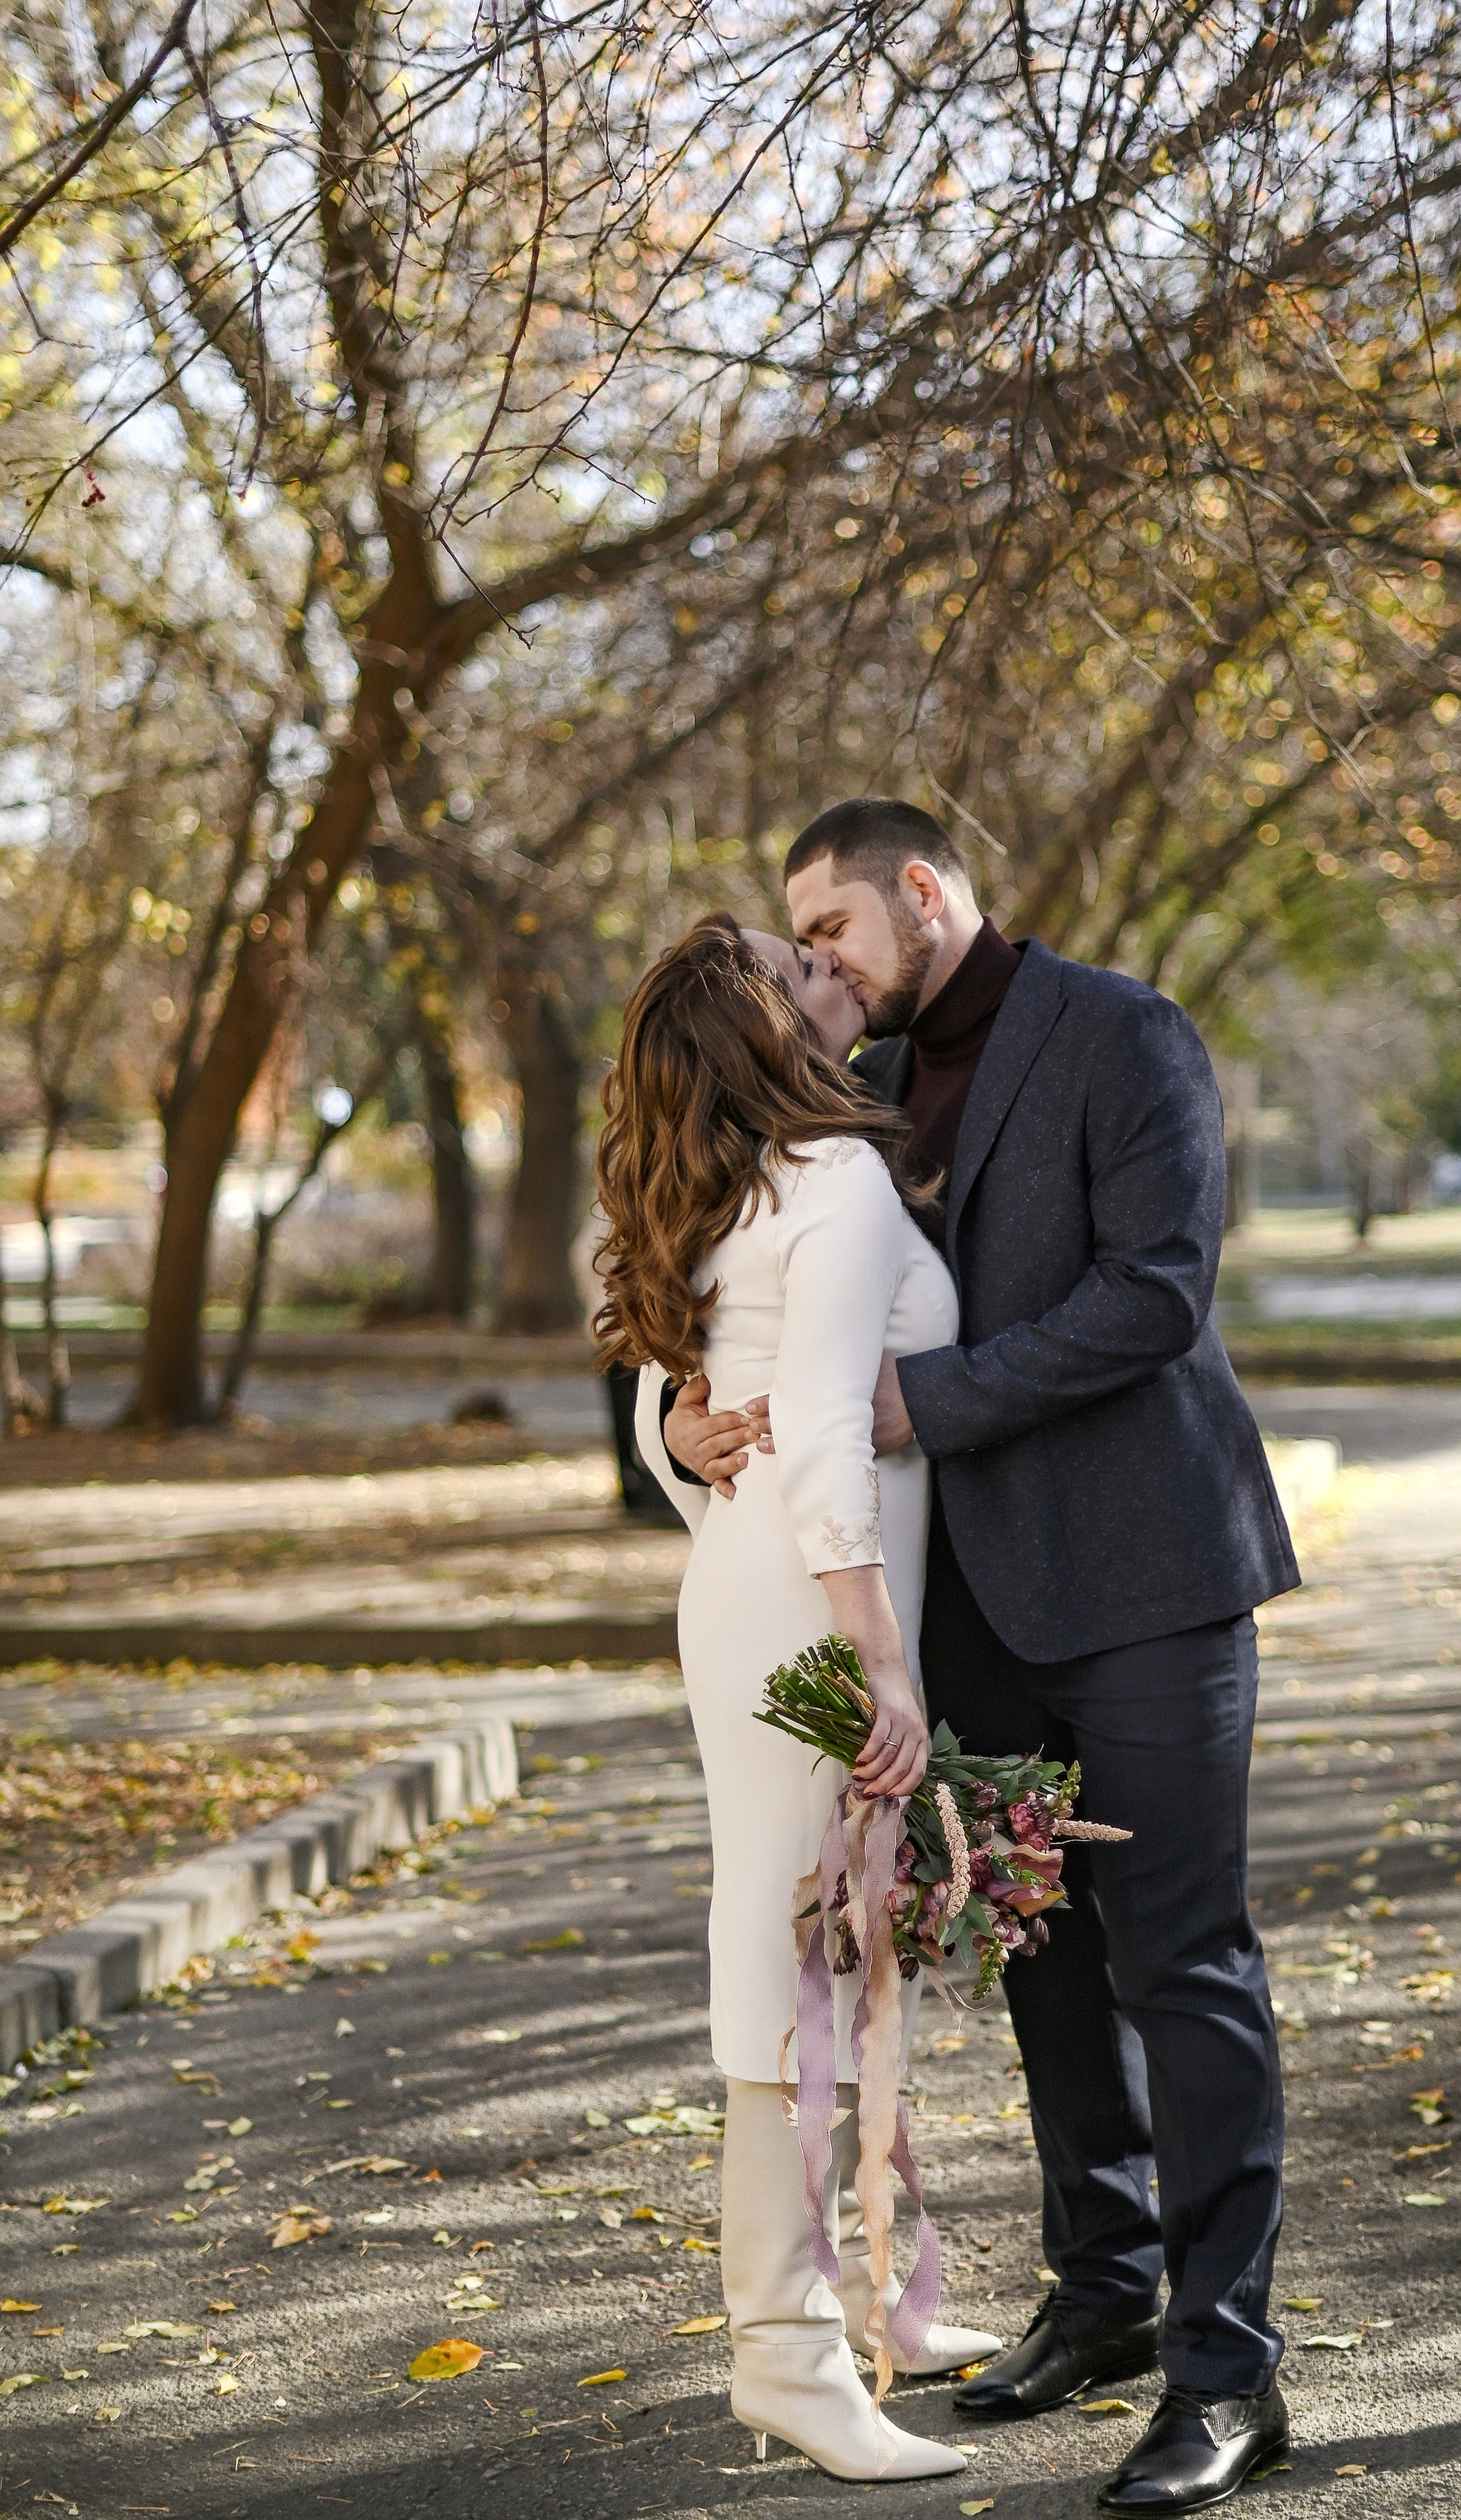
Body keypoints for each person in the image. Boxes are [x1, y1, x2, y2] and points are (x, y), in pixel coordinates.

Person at [665, 803, 1300, 2515]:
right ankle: (1098, 2296)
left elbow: (1152, 1289)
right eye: (798, 945)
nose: (818, 966)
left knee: (1184, 1965)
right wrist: (682, 1414)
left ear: (923, 895)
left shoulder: (1121, 1032)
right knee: (1040, 1967)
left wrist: (907, 1403)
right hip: (973, 1613)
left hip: (1150, 1575)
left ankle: (1227, 2369)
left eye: (834, 931)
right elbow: (735, 1296)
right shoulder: (841, 1099)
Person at [592, 911, 997, 2485]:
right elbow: (815, 1432)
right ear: (774, 1028)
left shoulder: (750, 1182)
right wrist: (880, 1663)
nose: (844, 978)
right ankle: (785, 2357)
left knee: (849, 1939)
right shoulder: (823, 1185)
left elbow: (695, 1381)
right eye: (808, 967)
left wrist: (672, 1435)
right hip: (811, 1614)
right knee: (790, 1958)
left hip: (763, 1592)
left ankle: (890, 2295)